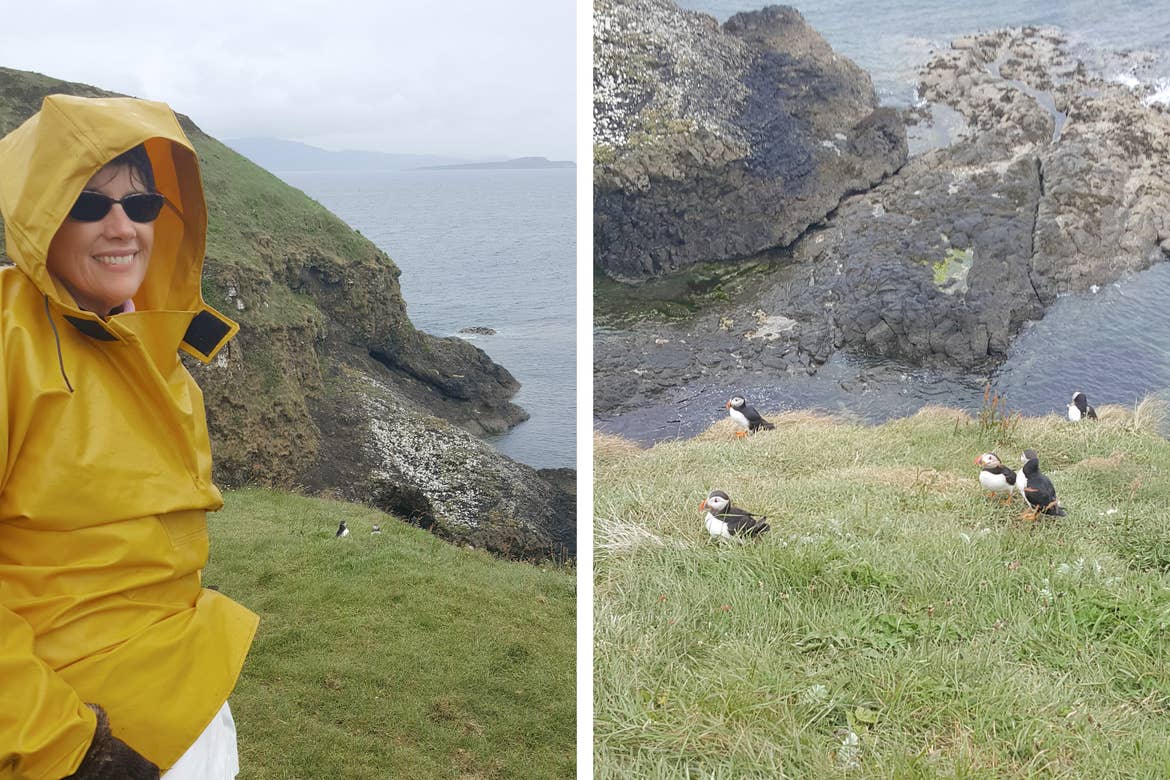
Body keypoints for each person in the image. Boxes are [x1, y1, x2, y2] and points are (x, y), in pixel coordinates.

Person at [0, 95, 258, 778]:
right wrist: (76, 753)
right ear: (40, 217)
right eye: (88, 204)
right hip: (78, 732)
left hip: (185, 698)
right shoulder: (9, 344)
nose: (122, 226)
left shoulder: (149, 348)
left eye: (141, 206)